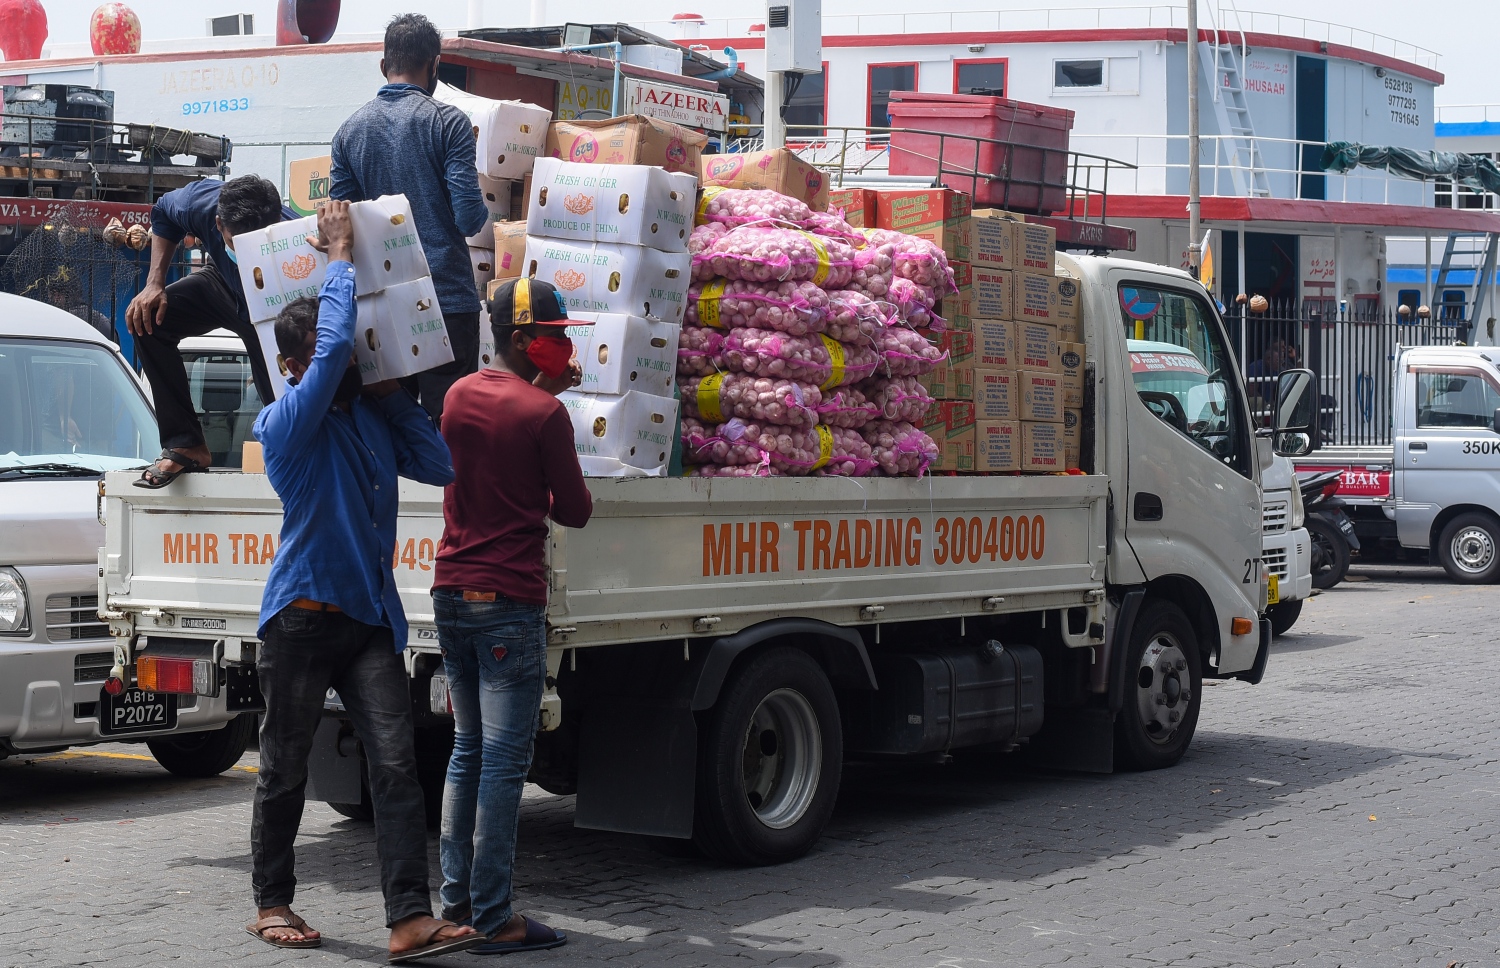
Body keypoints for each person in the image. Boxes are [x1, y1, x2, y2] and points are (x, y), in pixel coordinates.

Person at [245, 199, 483, 964]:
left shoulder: (372, 417)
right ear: (293, 367)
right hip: (303, 620)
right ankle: (272, 900)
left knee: (395, 766)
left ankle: (410, 917)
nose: (342, 362)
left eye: (344, 359)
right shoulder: (284, 423)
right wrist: (341, 257)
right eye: (322, 357)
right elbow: (338, 338)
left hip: (371, 622)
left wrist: (391, 397)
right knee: (282, 768)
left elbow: (444, 465)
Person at [431, 278, 592, 955]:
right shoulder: (544, 414)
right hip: (509, 601)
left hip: (451, 590)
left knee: (468, 750)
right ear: (525, 340)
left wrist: (544, 397)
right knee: (502, 762)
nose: (565, 345)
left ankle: (456, 905)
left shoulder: (456, 395)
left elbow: (488, 449)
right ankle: (495, 919)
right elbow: (575, 509)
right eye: (556, 335)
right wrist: (554, 407)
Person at [329, 12, 489, 422]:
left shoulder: (348, 132)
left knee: (387, 429)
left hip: (380, 307)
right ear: (435, 65)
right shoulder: (448, 122)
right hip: (446, 303)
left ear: (384, 66)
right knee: (450, 429)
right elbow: (470, 218)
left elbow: (338, 223)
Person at [126, 175, 294, 487]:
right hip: (222, 284)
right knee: (146, 318)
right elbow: (162, 212)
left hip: (271, 310)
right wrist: (155, 283)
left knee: (285, 416)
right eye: (236, 244)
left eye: (256, 244)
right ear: (218, 224)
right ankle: (186, 443)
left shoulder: (297, 239)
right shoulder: (199, 204)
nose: (246, 254)